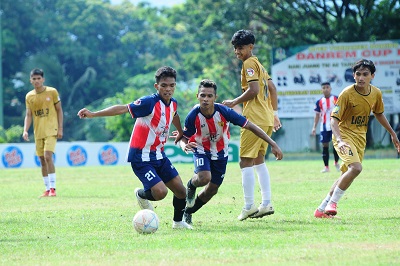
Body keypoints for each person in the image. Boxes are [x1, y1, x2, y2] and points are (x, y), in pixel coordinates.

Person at [77, 66, 192, 229]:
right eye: (164, 85)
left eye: (171, 85)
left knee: (181, 192)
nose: (168, 89)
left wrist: (180, 132)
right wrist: (94, 114)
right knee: (161, 193)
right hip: (140, 157)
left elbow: (174, 115)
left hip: (159, 155)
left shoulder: (173, 103)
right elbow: (122, 109)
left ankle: (178, 223)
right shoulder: (148, 103)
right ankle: (141, 194)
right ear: (156, 86)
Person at [178, 79, 283, 225]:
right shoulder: (193, 114)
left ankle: (188, 212)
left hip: (221, 153)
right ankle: (191, 185)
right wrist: (184, 145)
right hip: (201, 150)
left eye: (209, 96)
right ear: (198, 96)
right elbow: (184, 137)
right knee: (204, 178)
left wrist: (273, 143)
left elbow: (251, 126)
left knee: (212, 190)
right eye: (203, 95)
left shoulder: (225, 112)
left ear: (215, 97)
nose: (206, 99)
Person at [314, 59, 400, 218]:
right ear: (353, 75)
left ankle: (320, 210)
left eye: (365, 74)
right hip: (344, 136)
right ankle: (333, 203)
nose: (361, 78)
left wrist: (392, 133)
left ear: (372, 76)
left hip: (360, 139)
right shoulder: (347, 93)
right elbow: (334, 119)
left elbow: (379, 113)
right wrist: (339, 140)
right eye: (358, 74)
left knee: (345, 175)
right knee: (356, 168)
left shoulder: (376, 93)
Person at [222, 29, 282, 221]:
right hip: (265, 118)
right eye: (235, 48)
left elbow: (254, 90)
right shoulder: (259, 65)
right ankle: (266, 203)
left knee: (245, 161)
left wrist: (234, 102)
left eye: (240, 48)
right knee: (258, 160)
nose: (237, 52)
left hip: (254, 118)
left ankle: (248, 206)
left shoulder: (249, 63)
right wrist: (274, 113)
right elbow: (272, 88)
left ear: (250, 47)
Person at [23, 68, 63, 197]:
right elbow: (28, 115)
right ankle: (47, 189)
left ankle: (53, 188)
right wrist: (25, 130)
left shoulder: (52, 92)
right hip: (38, 131)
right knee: (41, 159)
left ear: (43, 79)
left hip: (51, 129)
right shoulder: (29, 96)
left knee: (47, 156)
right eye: (34, 79)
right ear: (31, 80)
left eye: (39, 78)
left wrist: (60, 128)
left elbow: (59, 110)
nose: (36, 81)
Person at [311, 82, 340, 173]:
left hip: (335, 125)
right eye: (324, 87)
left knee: (336, 144)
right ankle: (326, 167)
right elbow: (317, 115)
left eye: (327, 87)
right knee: (325, 145)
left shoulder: (336, 99)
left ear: (330, 88)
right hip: (324, 126)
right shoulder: (319, 102)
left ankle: (336, 162)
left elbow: (341, 110)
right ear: (321, 89)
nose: (326, 89)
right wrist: (314, 127)